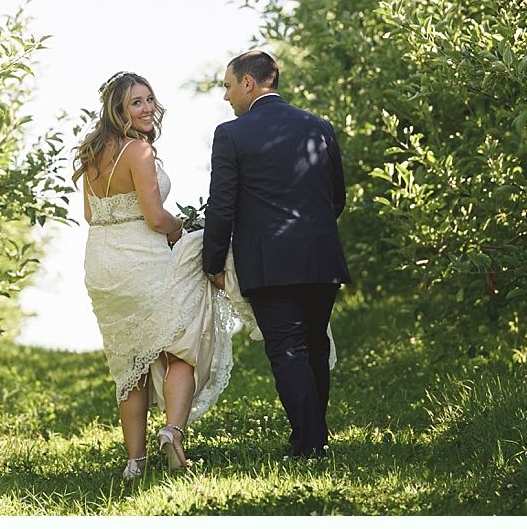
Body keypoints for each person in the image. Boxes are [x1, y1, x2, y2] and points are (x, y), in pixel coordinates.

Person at [75, 71, 236, 482]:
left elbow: (91, 215)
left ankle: (135, 463)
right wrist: (181, 227)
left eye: (149, 99)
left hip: (103, 263)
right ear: (119, 110)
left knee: (128, 361)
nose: (147, 108)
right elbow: (154, 216)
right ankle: (172, 430)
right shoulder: (138, 151)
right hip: (143, 259)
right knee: (178, 347)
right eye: (136, 102)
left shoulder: (91, 152)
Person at [202, 51, 351, 458]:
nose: (226, 97)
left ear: (249, 84)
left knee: (287, 348)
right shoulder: (320, 127)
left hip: (269, 262)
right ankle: (311, 436)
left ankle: (311, 443)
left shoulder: (231, 134)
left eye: (228, 86)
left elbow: (221, 206)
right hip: (321, 257)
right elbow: (337, 196)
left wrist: (212, 261)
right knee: (315, 345)